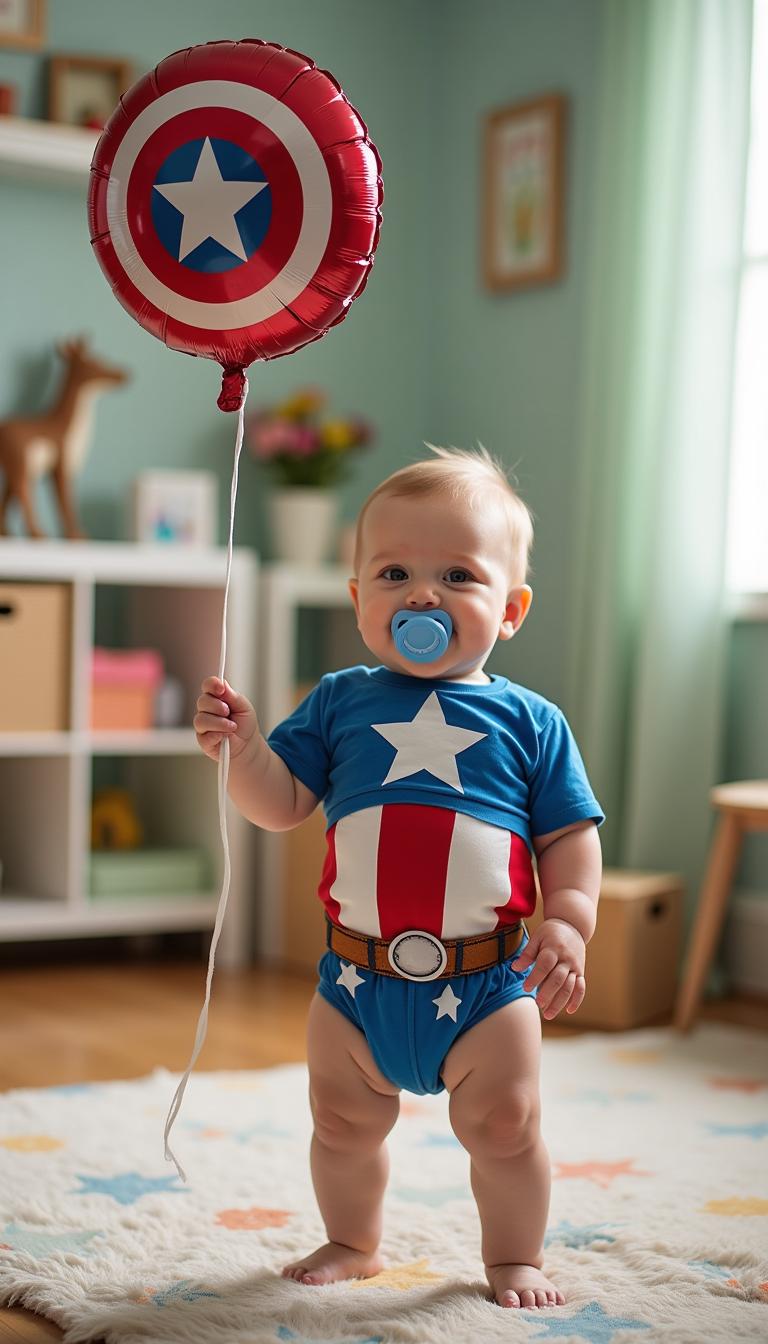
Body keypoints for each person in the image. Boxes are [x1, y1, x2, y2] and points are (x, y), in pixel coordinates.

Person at [194, 445, 604, 1311]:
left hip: (488, 981)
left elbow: (570, 835)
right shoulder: (342, 700)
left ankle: (513, 1259)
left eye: (458, 574)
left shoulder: (532, 720)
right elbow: (281, 804)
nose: (422, 594)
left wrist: (567, 919)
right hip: (355, 980)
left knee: (504, 1124)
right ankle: (353, 1239)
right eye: (395, 573)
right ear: (359, 601)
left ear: (511, 607)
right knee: (341, 1123)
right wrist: (245, 750)